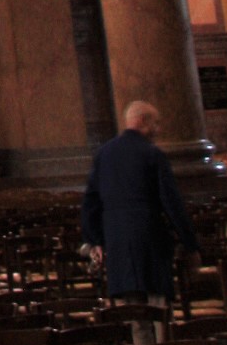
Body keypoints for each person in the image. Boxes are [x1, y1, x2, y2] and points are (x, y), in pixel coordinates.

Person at [82, 101, 198, 321]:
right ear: (143, 121)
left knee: (133, 310)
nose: (159, 129)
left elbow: (90, 202)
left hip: (117, 241)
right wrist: (190, 243)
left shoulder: (104, 154)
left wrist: (95, 240)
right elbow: (171, 202)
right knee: (159, 306)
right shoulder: (152, 154)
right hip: (149, 237)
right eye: (156, 123)